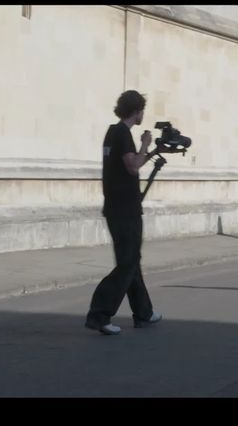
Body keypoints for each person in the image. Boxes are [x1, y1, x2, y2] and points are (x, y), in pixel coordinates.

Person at [85, 90, 179, 335]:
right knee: (127, 264)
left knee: (132, 262)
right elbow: (133, 167)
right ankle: (99, 314)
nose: (142, 115)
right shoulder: (124, 135)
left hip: (116, 207)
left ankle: (144, 313)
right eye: (141, 111)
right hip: (125, 209)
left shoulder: (112, 132)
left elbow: (129, 164)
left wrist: (151, 152)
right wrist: (146, 145)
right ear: (136, 111)